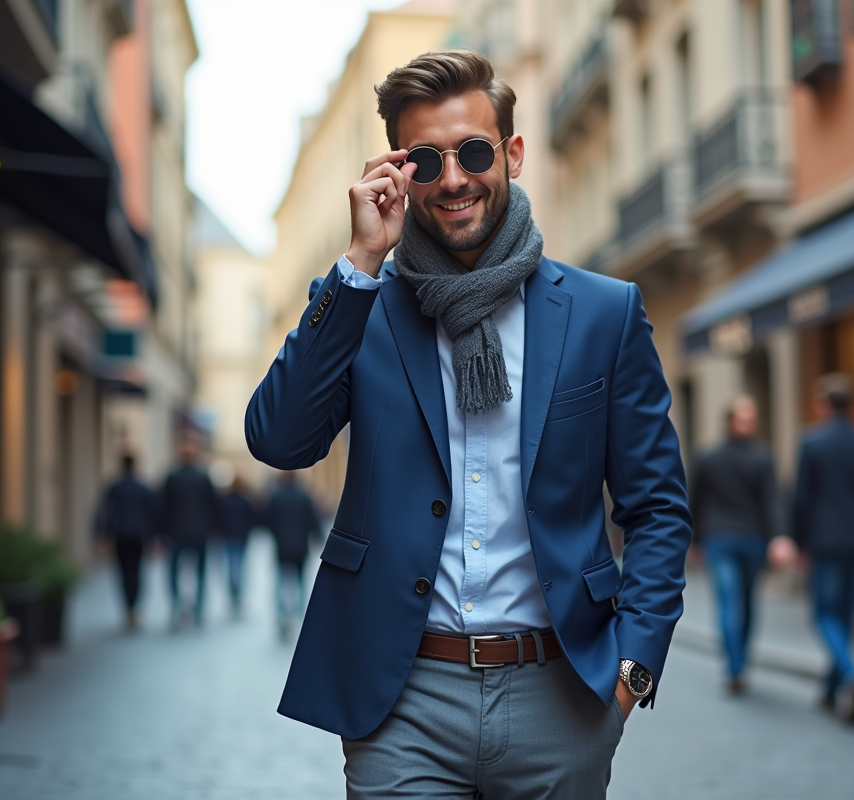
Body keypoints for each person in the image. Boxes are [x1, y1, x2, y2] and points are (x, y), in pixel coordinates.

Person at [245, 50, 691, 798]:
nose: (452, 178)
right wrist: (358, 263)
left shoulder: (602, 315)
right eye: (426, 159)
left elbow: (658, 506)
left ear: (512, 153)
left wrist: (631, 668)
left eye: (473, 152)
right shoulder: (367, 308)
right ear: (397, 170)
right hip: (404, 700)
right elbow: (280, 439)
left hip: (561, 695)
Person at [790, 373, 854, 724]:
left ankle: (850, 673)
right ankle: (831, 689)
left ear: (822, 404)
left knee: (823, 615)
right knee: (846, 615)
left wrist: (799, 542)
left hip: (824, 540)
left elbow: (800, 499)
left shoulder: (811, 442)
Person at [690, 396, 781, 694]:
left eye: (751, 419)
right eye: (743, 418)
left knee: (743, 602)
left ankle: (738, 662)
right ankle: (736, 666)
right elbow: (695, 501)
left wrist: (777, 537)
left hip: (744, 541)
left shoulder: (717, 456)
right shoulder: (718, 456)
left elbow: (772, 501)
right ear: (729, 421)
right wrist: (693, 539)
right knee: (734, 602)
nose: (747, 424)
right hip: (724, 540)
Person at [160, 431, 222, 628]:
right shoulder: (199, 476)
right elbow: (214, 506)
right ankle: (191, 609)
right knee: (194, 572)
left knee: (180, 572)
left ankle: (185, 608)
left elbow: (163, 505)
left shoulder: (176, 475)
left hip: (185, 532)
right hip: (191, 532)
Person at [95, 454, 157, 631]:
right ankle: (134, 608)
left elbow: (104, 511)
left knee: (123, 572)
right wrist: (153, 538)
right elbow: (152, 513)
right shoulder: (143, 486)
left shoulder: (115, 486)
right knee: (136, 571)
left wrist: (102, 535)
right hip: (138, 535)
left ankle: (128, 609)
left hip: (120, 535)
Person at [265, 472, 322, 638]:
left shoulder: (276, 496)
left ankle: (282, 616)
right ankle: (300, 615)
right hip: (300, 547)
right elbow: (313, 521)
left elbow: (268, 521)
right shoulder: (304, 497)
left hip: (282, 547)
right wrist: (319, 538)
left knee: (281, 582)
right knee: (301, 582)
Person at [220, 474, 257, 616]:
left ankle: (233, 593)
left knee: (232, 565)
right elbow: (252, 518)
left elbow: (221, 517)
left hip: (229, 536)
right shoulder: (245, 500)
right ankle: (238, 593)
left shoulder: (225, 500)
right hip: (242, 536)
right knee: (240, 565)